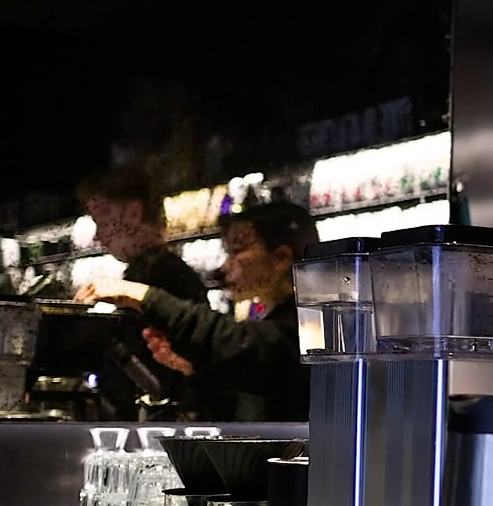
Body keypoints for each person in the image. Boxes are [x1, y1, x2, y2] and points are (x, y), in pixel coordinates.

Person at [78, 202, 316, 421]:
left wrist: (143, 296)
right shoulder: (286, 320)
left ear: (281, 258)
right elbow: (252, 381)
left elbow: (245, 344)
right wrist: (193, 368)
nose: (226, 265)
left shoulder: (311, 325)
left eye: (237, 250)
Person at [76, 169, 212, 416]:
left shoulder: (157, 277)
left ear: (134, 213)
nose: (98, 236)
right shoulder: (163, 271)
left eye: (102, 222)